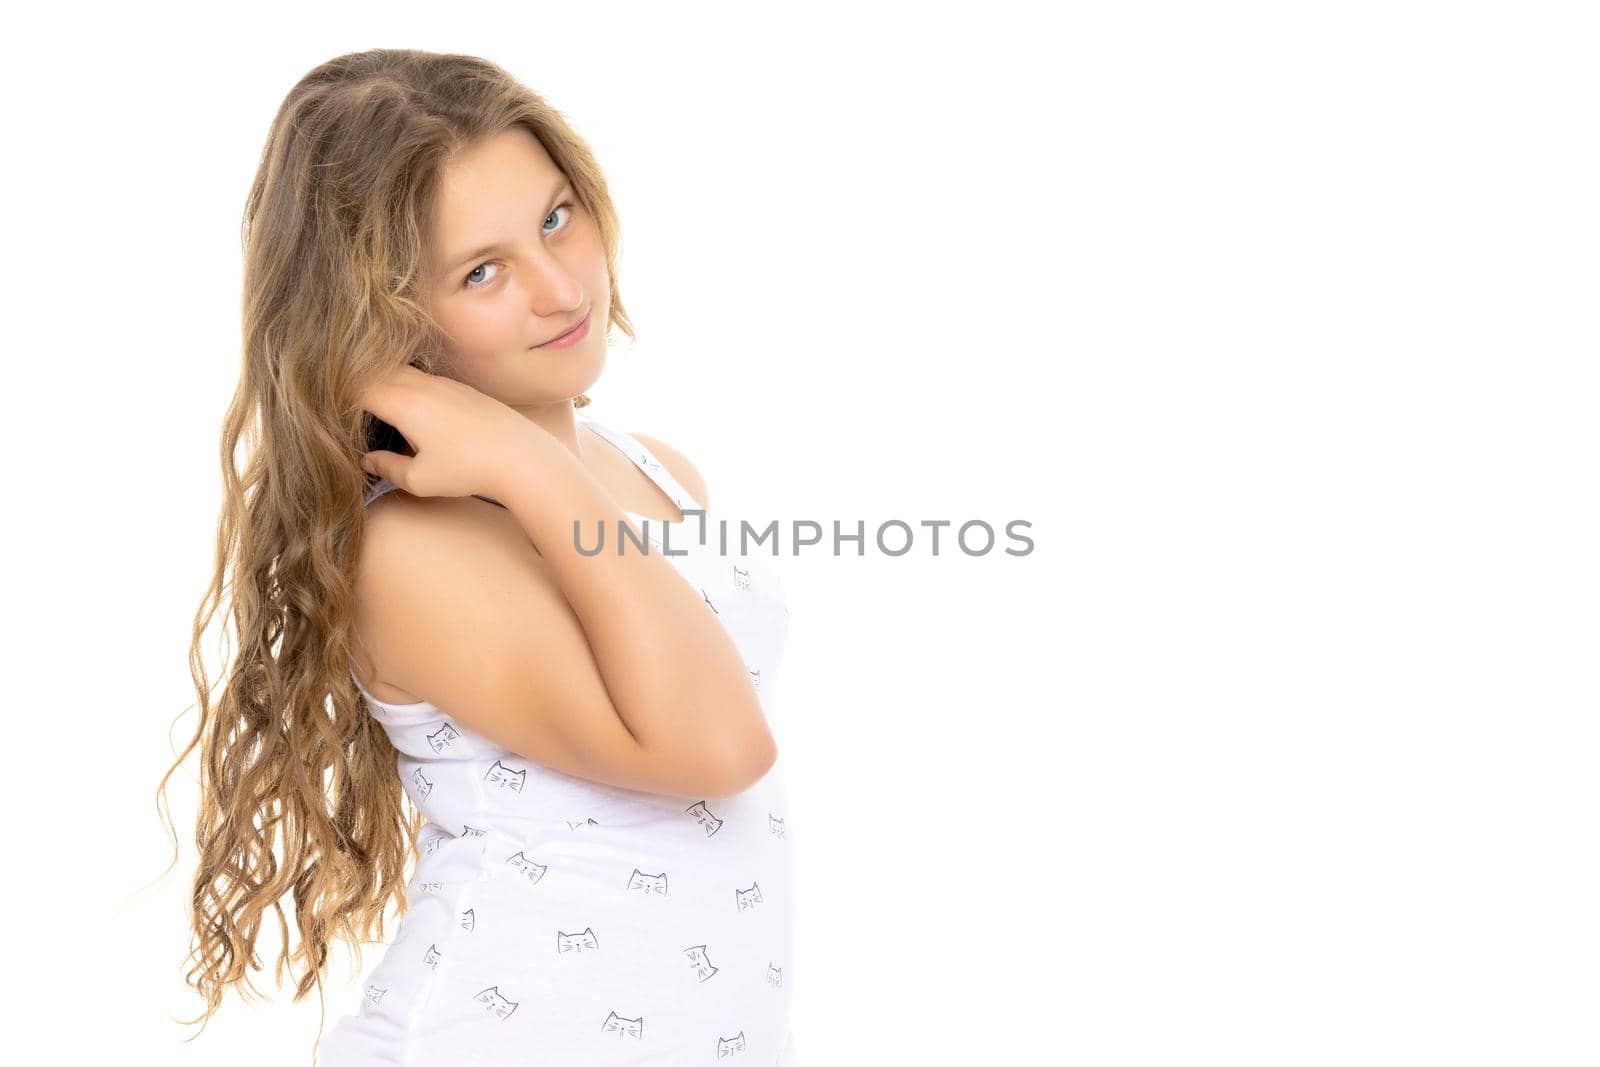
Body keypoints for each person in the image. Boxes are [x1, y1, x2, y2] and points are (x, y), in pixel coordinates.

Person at [155, 48, 800, 1066]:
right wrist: (522, 463)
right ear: (388, 322)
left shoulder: (656, 471)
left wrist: (544, 467)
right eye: (481, 271)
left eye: (554, 217)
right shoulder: (414, 549)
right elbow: (720, 746)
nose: (557, 287)